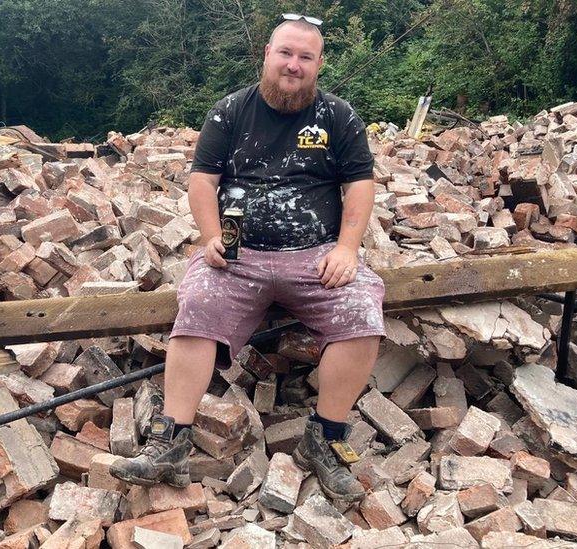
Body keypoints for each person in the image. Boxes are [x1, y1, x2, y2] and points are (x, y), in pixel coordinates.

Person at [110, 14, 385, 501]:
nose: (293, 65)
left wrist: (347, 249)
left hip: (316, 254)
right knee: (195, 308)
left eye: (305, 57)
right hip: (238, 254)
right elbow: (203, 181)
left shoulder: (339, 117)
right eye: (285, 53)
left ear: (319, 63)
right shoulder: (230, 112)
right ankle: (171, 443)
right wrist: (211, 236)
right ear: (267, 54)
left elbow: (360, 185)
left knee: (361, 311)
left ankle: (324, 438)